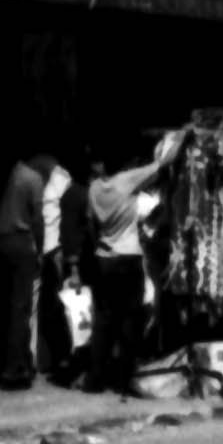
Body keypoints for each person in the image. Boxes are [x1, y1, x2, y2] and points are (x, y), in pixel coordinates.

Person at [64, 131, 183, 400]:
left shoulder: (94, 189)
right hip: (128, 259)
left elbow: (91, 226)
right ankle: (125, 378)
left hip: (103, 259)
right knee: (130, 320)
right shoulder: (125, 182)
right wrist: (179, 140)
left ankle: (95, 378)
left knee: (103, 321)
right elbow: (161, 165)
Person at [0, 144, 64, 391]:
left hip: (1, 238)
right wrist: (41, 252)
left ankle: (5, 362)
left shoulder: (16, 170)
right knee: (21, 308)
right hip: (21, 242)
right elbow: (39, 221)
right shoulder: (35, 180)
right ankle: (15, 370)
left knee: (7, 304)